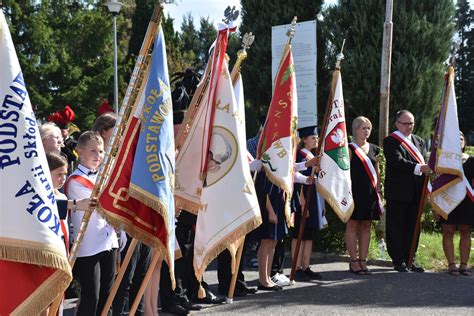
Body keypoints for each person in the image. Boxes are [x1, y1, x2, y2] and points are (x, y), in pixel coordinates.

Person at [67, 131, 119, 315]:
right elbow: (99, 204)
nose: (98, 156)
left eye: (101, 151)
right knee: (92, 297)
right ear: (80, 152)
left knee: (108, 295)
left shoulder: (102, 175)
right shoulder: (74, 181)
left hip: (109, 240)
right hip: (89, 246)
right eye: (93, 151)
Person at [383, 110, 431, 273]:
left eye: (411, 123)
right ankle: (398, 260)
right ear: (397, 124)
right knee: (397, 226)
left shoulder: (419, 141)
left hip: (416, 192)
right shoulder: (390, 141)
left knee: (413, 227)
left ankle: (411, 258)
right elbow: (397, 161)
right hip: (398, 192)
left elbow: (425, 163)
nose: (409, 127)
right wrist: (419, 167)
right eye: (405, 123)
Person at [346, 117, 383, 275]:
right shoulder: (349, 148)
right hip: (354, 192)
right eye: (363, 128)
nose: (367, 131)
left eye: (368, 128)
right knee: (353, 225)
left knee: (367, 226)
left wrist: (379, 193)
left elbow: (378, 172)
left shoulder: (374, 149)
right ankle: (353, 261)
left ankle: (363, 260)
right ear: (355, 129)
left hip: (370, 193)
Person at [291, 126, 325, 281]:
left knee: (309, 234)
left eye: (317, 138)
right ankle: (296, 266)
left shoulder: (313, 155)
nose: (316, 140)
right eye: (313, 137)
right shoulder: (300, 156)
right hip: (303, 199)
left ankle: (305, 266)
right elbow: (297, 182)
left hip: (315, 199)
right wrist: (302, 201)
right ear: (304, 139)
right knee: (299, 233)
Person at [439, 132, 473, 276]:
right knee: (448, 231)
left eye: (461, 138)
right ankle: (452, 265)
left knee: (466, 232)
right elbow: (438, 183)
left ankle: (464, 266)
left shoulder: (472, 161)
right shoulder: (444, 160)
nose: (459, 141)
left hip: (467, 202)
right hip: (449, 200)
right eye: (456, 138)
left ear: (465, 142)